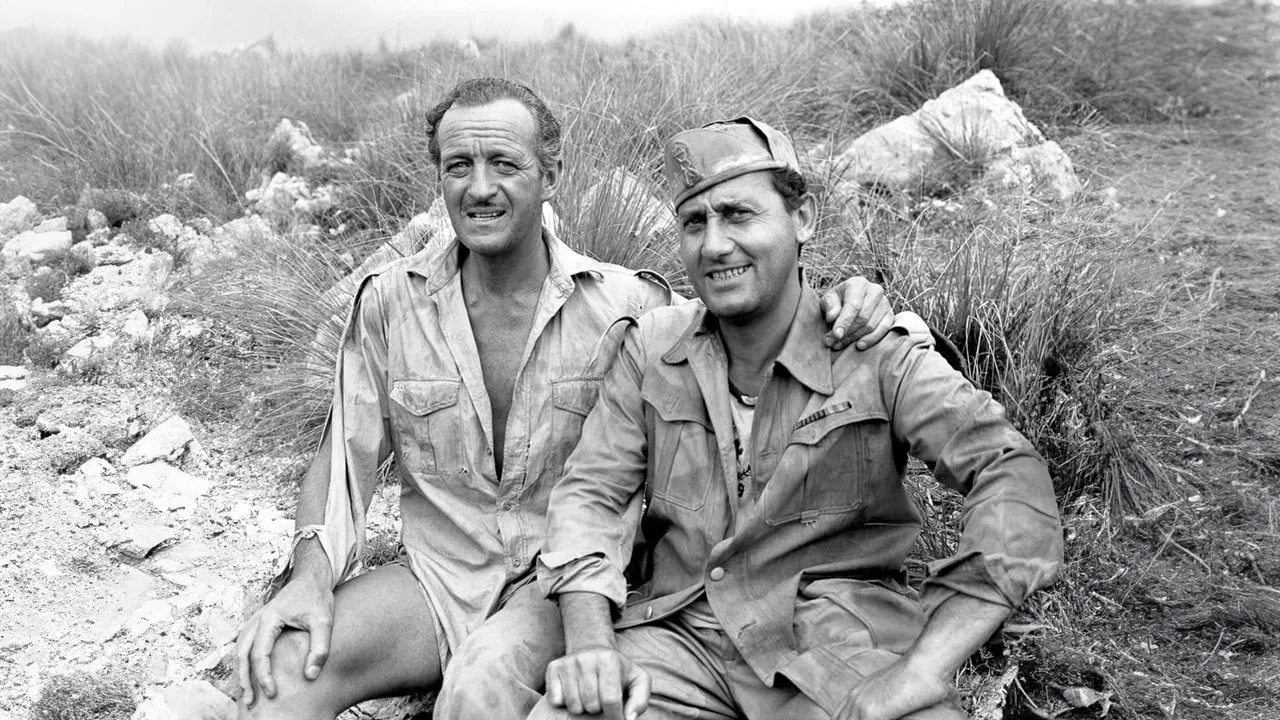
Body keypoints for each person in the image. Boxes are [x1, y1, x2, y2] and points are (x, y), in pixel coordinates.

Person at [233, 79, 895, 720]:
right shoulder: (389, 301)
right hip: (437, 580)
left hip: (562, 587)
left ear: (550, 175)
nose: (479, 187)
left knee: (481, 685)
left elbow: (746, 326)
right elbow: (343, 459)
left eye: (504, 163)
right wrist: (310, 578)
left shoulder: (629, 304)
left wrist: (844, 301)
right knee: (282, 670)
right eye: (458, 165)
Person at [533, 117, 1065, 720]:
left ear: (803, 218)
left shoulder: (873, 351)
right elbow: (592, 495)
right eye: (694, 223)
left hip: (831, 646)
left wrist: (926, 667)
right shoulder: (653, 348)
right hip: (680, 638)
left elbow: (1008, 468)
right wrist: (592, 644)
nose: (714, 245)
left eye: (738, 214)